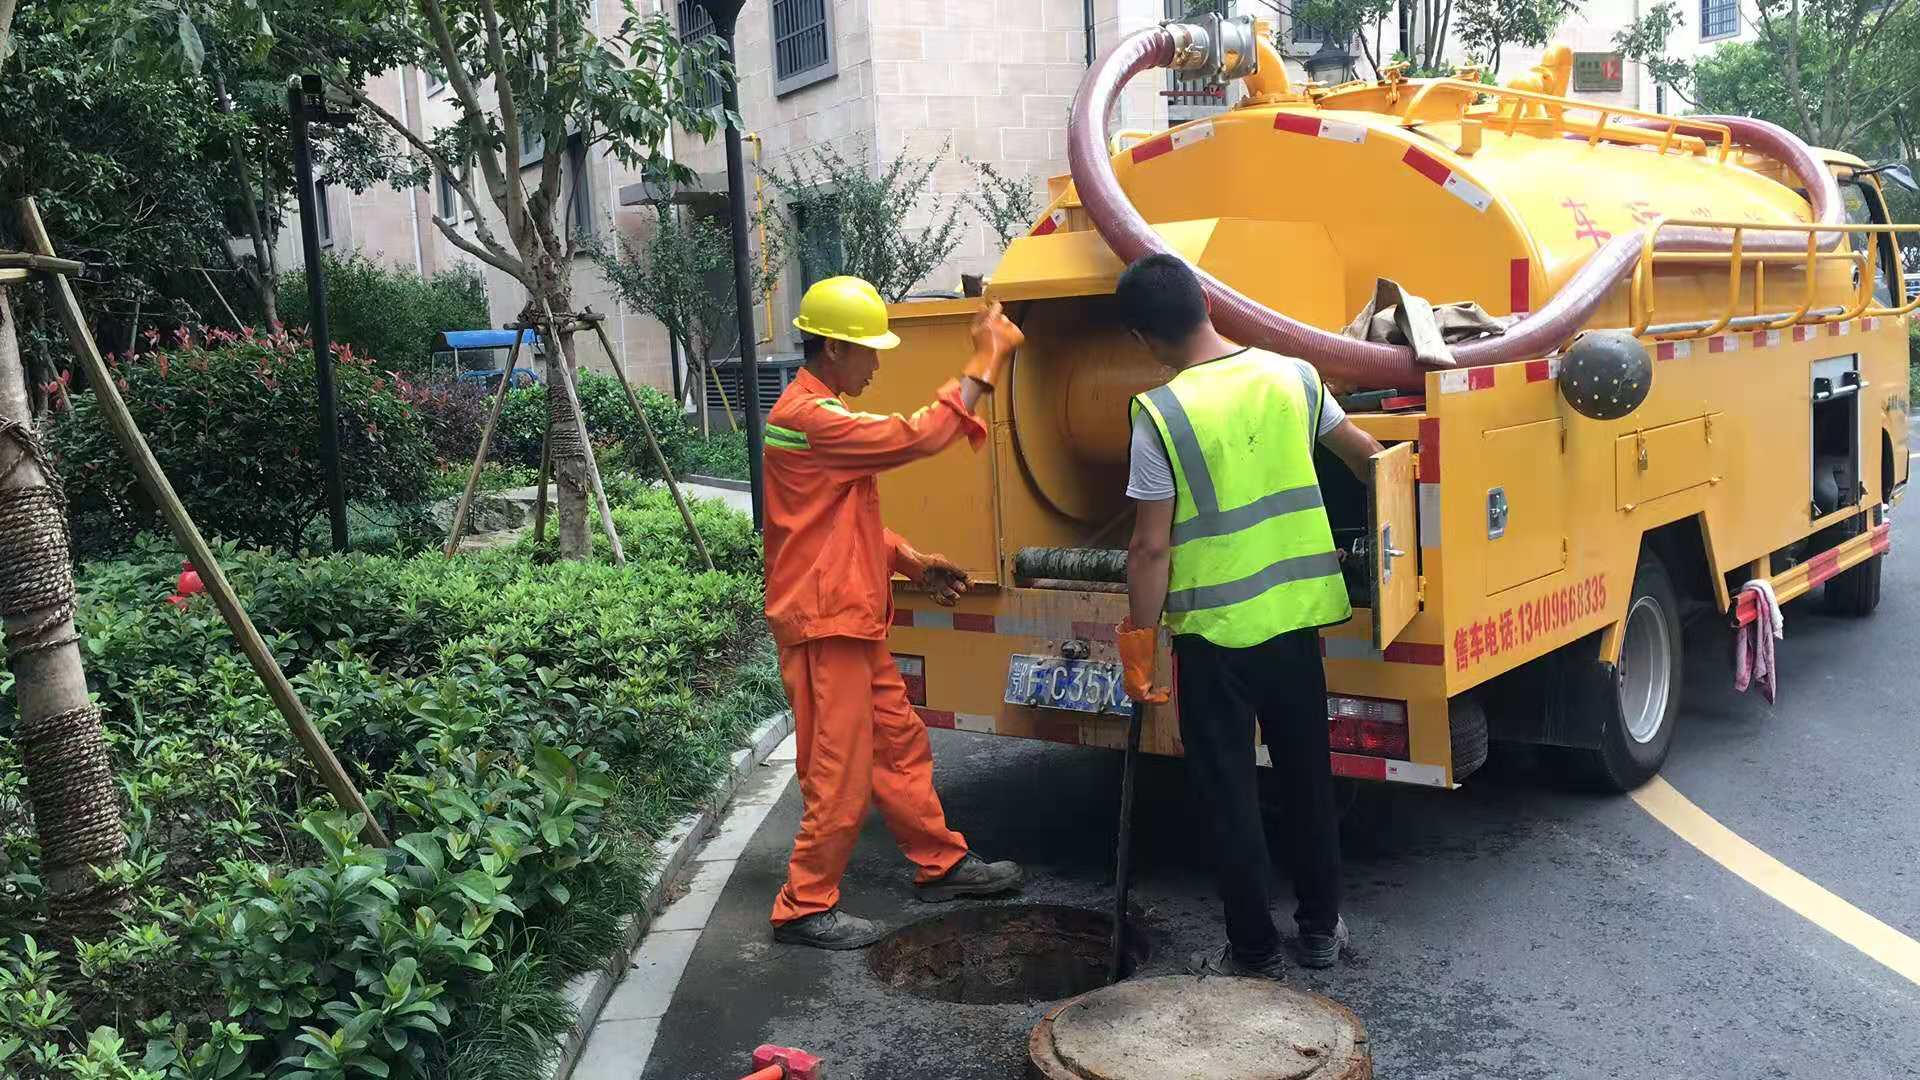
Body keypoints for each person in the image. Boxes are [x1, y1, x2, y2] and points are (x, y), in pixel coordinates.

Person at [1113, 254, 1384, 978]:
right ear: (1206, 301)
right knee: (1307, 780)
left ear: (1144, 338)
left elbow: (1148, 548)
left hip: (1214, 642)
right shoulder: (1294, 376)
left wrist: (1140, 649)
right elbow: (1366, 456)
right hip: (1296, 624)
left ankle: (1256, 952)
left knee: (1230, 795)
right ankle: (1322, 931)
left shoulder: (1162, 413)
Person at [762, 275, 1027, 950]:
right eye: (868, 351)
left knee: (899, 746)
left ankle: (940, 864)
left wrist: (911, 560)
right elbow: (917, 436)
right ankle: (805, 904)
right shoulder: (810, 418)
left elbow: (832, 526)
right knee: (838, 769)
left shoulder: (817, 414)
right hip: (826, 626)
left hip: (849, 618)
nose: (877, 363)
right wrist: (985, 356)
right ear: (831, 349)